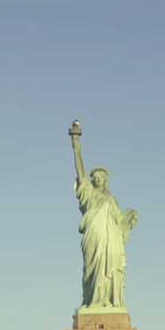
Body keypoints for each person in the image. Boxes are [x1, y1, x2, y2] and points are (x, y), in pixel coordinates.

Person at [70, 121, 138, 308]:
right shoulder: (89, 194)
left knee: (110, 267)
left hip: (111, 240)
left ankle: (108, 300)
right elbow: (81, 173)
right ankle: (93, 301)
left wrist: (128, 219)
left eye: (102, 177)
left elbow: (119, 224)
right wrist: (76, 146)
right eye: (95, 177)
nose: (98, 179)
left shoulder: (111, 200)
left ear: (106, 180)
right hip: (94, 236)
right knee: (92, 270)